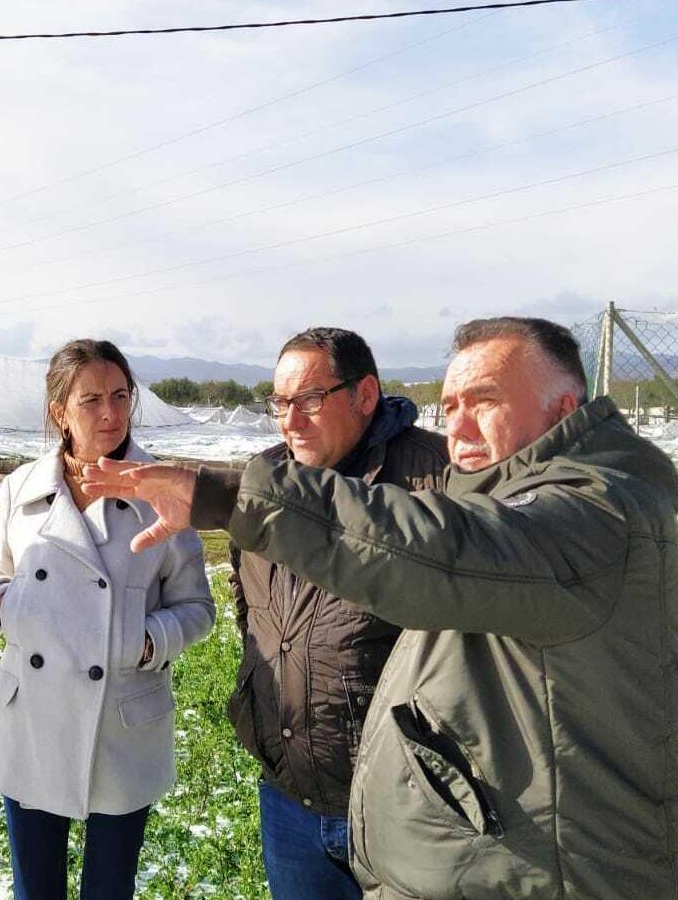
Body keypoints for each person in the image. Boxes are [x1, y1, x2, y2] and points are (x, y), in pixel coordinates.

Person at [83, 317, 678, 900]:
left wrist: (223, 496)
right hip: (324, 800)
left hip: (544, 867)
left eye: (484, 401)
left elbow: (438, 553)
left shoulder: (585, 515)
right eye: (451, 406)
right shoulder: (301, 478)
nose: (459, 428)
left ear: (564, 408)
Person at [0, 339, 215, 900]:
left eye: (121, 396)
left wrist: (145, 641)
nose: (110, 413)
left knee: (109, 889)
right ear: (60, 412)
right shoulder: (21, 488)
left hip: (121, 722)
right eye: (91, 400)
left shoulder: (164, 493)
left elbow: (197, 607)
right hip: (32, 716)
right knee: (37, 890)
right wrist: (4, 604)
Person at [233, 327, 446, 900]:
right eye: (279, 402)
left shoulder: (434, 478)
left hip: (404, 801)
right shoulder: (265, 477)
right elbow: (248, 601)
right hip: (289, 796)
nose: (289, 419)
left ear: (365, 394)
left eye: (309, 399)